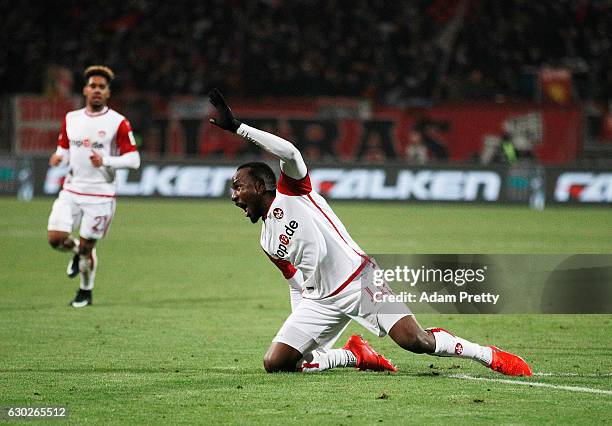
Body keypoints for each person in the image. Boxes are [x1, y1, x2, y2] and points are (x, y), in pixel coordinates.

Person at [209, 89, 532, 376]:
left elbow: (291, 153)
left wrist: (238, 127)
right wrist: (304, 324)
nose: (234, 195)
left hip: (360, 280)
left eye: (238, 187)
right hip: (320, 300)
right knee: (277, 363)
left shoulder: (293, 191)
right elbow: (295, 283)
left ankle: (488, 355)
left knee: (415, 340)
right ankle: (353, 355)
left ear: (261, 185)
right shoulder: (267, 240)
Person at [47, 65, 141, 307]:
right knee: (56, 239)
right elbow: (65, 149)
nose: (97, 90)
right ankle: (77, 251)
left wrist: (106, 160)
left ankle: (85, 292)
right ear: (85, 90)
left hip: (100, 194)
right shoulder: (71, 119)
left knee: (89, 246)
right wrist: (59, 157)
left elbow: (133, 160)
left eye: (102, 87)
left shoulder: (118, 122)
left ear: (108, 93)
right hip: (71, 190)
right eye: (93, 86)